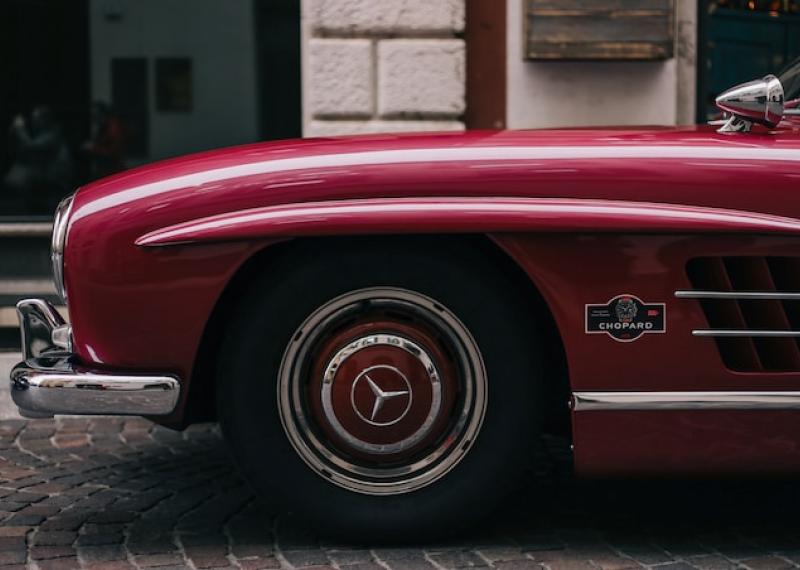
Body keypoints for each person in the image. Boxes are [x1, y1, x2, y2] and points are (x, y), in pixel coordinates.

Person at [4, 106, 75, 213]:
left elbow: (31, 146)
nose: (34, 122)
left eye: (37, 119)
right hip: (47, 178)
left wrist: (20, 130)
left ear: (46, 119)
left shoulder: (53, 134)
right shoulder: (41, 133)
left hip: (57, 179)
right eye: (33, 119)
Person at [83, 102, 126, 179]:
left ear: (102, 114)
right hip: (103, 169)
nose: (93, 118)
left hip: (113, 170)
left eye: (95, 115)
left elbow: (113, 151)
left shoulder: (113, 127)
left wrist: (93, 148)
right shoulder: (102, 126)